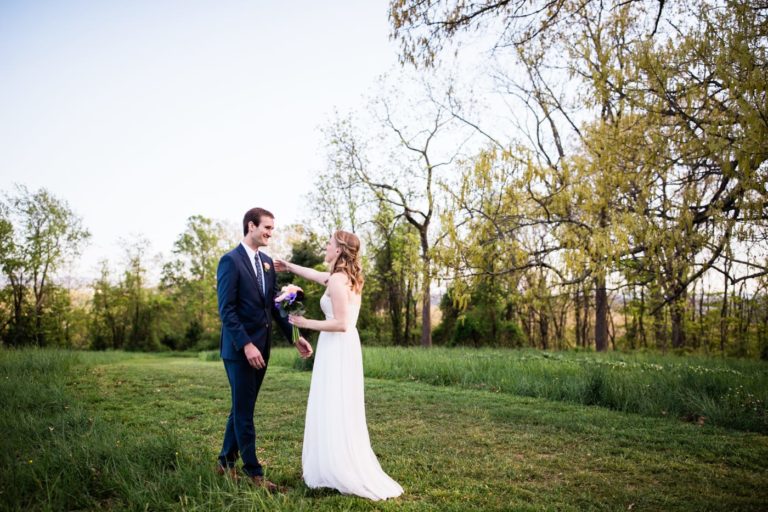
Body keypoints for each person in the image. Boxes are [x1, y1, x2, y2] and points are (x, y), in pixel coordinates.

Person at [274, 230, 403, 501]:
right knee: (336, 402)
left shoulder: (338, 279)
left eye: (329, 243)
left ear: (339, 250)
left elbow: (342, 324)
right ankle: (333, 461)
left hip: (338, 345)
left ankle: (338, 468)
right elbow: (313, 274)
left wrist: (306, 324)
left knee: (334, 401)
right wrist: (288, 266)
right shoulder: (343, 278)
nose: (325, 246)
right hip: (341, 348)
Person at [216, 207, 313, 491]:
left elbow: (275, 305)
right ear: (251, 226)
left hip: (263, 349)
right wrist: (246, 344)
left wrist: (295, 336)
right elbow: (227, 310)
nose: (271, 233)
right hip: (239, 351)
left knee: (241, 409)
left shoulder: (268, 263)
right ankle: (254, 474)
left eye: (272, 229)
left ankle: (224, 464)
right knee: (244, 412)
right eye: (267, 228)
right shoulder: (230, 261)